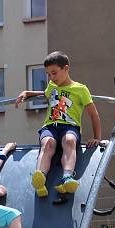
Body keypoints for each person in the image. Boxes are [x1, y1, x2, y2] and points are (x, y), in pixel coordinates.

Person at [15, 50, 102, 197]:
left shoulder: (80, 89)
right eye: (48, 74)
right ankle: (40, 176)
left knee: (69, 141)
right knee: (48, 143)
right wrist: (26, 93)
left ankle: (67, 176)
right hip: (50, 126)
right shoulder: (52, 86)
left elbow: (93, 114)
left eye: (54, 73)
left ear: (66, 69)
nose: (51, 77)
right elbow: (44, 93)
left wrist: (97, 137)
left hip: (70, 127)